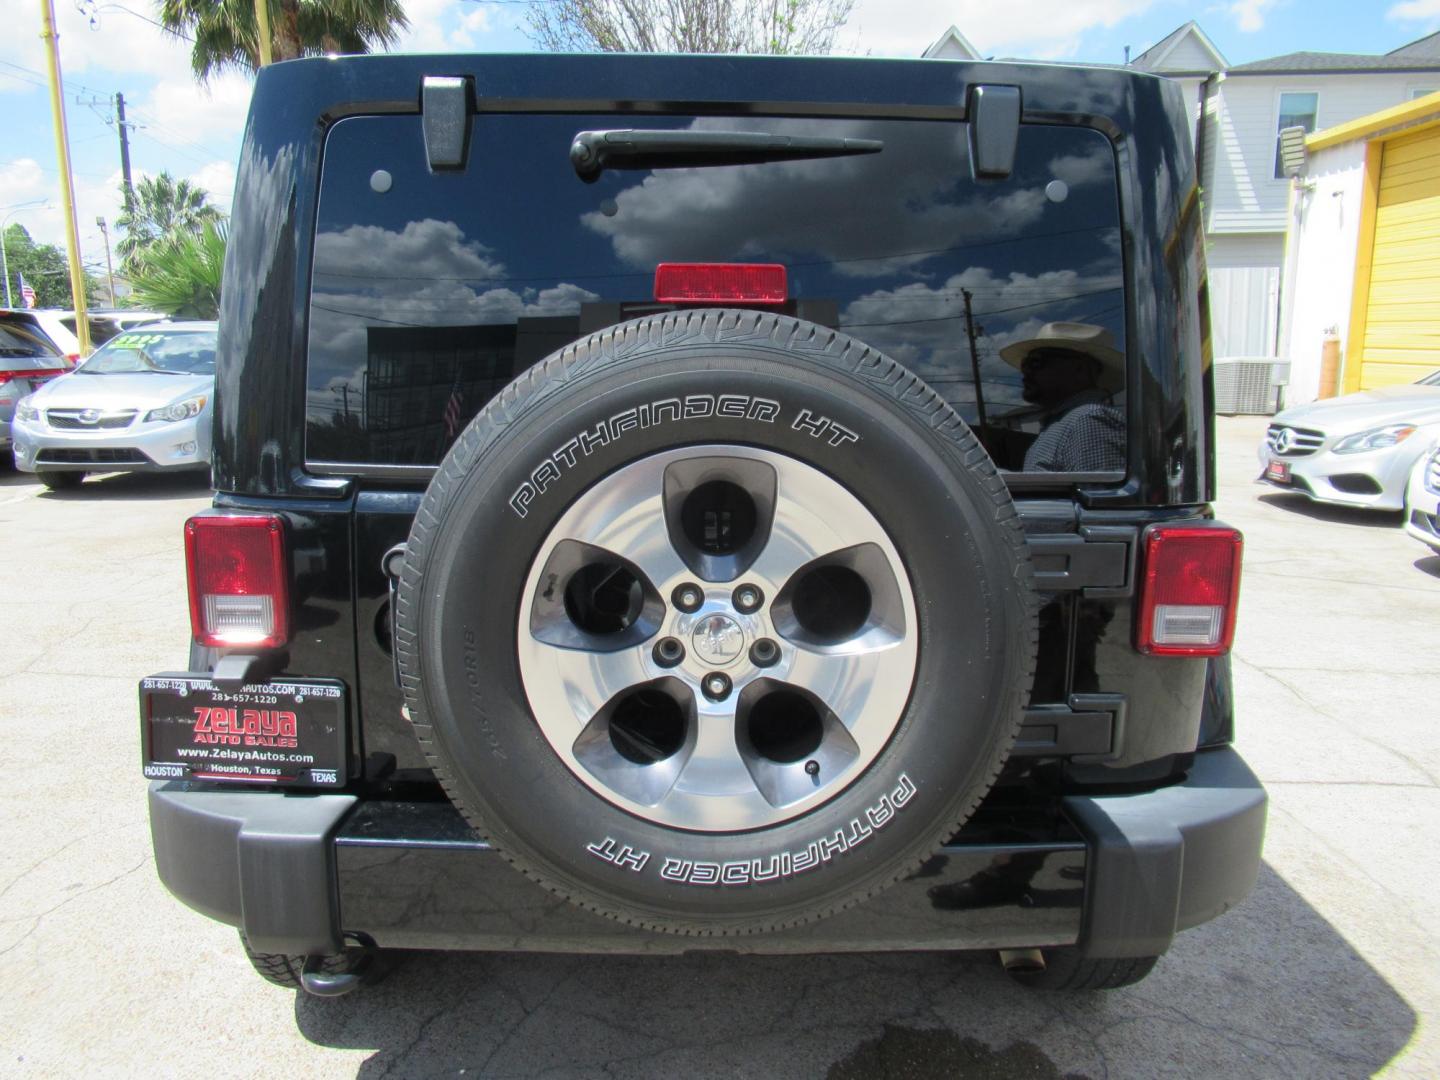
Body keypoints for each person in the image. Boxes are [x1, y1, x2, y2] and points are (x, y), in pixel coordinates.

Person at [999, 321, 1125, 473]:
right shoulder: (1064, 422)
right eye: (1025, 364)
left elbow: (1098, 494)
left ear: (1080, 368)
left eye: (1036, 362)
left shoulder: (1088, 418)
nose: (1025, 372)